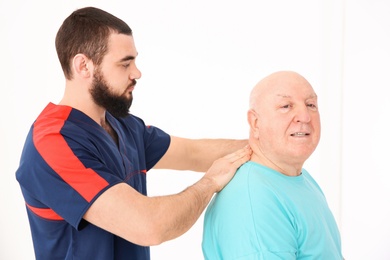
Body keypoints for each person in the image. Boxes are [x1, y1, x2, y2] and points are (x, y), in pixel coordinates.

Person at [15, 6, 251, 260]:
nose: (136, 73)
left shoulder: (124, 126)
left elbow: (193, 153)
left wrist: (267, 144)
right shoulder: (52, 142)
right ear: (84, 66)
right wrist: (210, 182)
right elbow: (149, 226)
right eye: (125, 63)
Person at [202, 71, 343, 259]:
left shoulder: (300, 178)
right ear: (255, 122)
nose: (305, 116)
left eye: (311, 105)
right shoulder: (253, 198)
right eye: (286, 106)